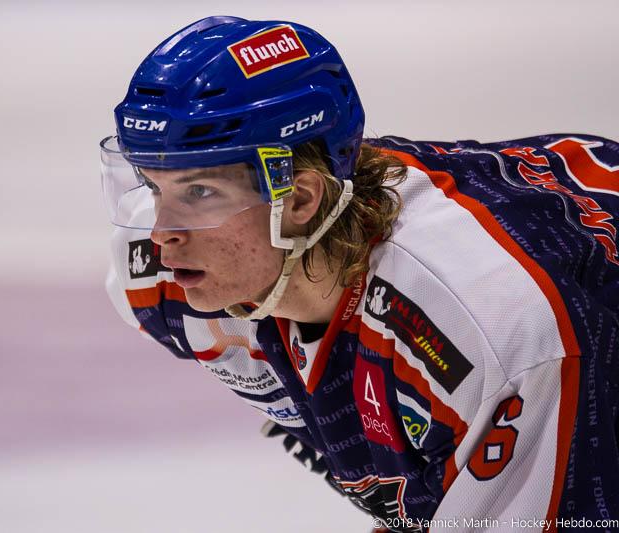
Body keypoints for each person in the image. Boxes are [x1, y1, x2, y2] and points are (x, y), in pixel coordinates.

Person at [100, 16, 619, 532]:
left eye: (200, 192)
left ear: (299, 199)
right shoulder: (166, 275)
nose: (162, 232)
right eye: (154, 186)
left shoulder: (481, 323)